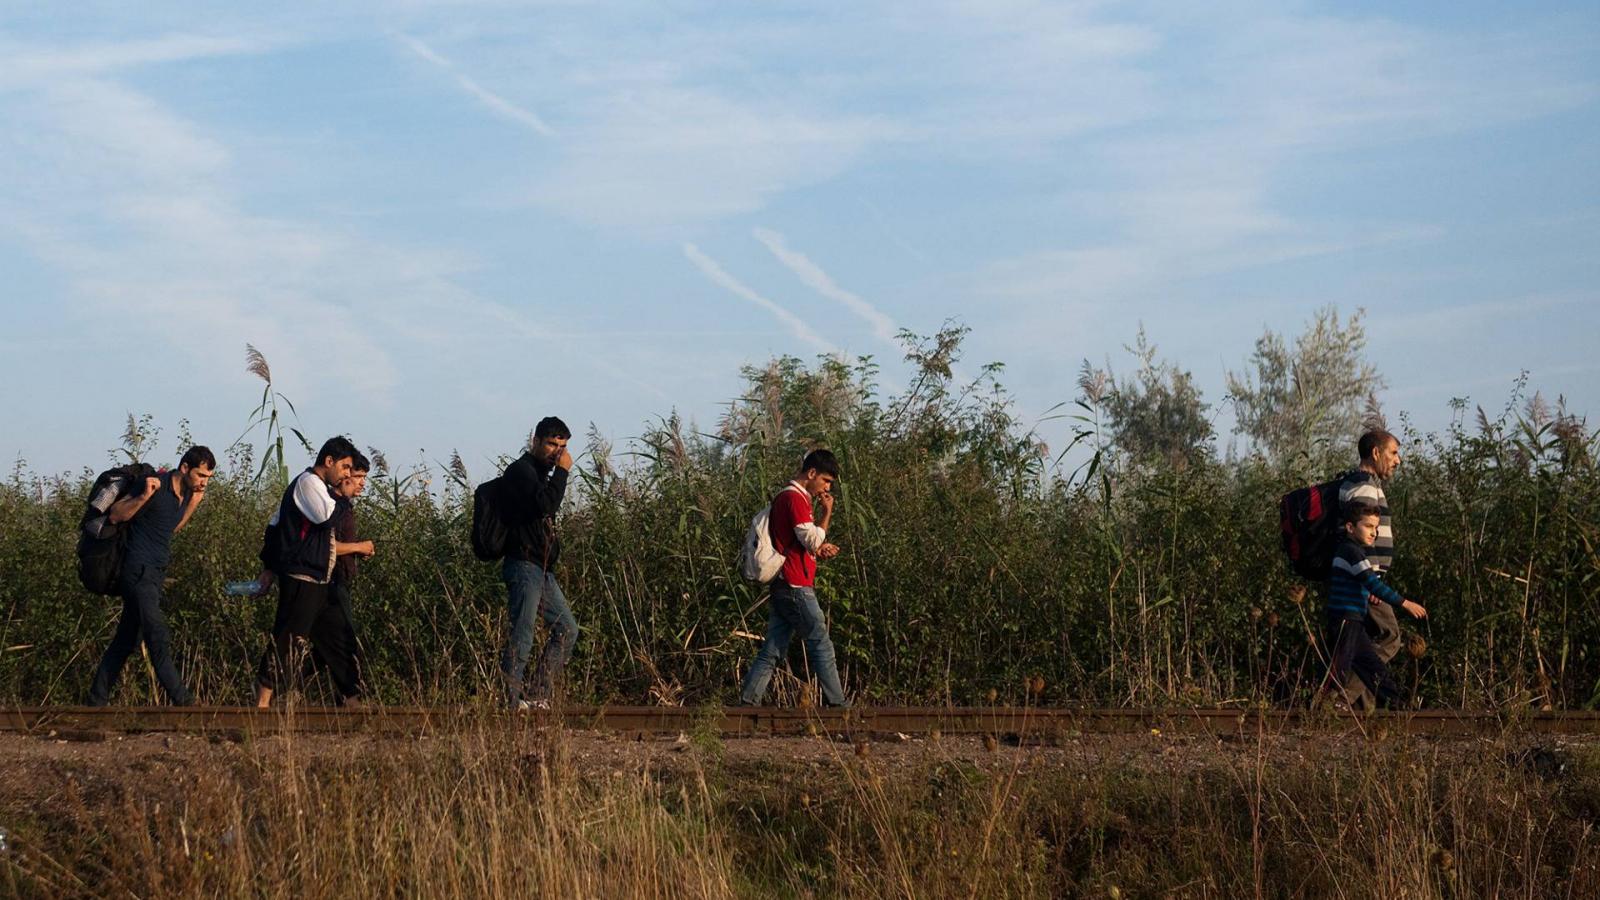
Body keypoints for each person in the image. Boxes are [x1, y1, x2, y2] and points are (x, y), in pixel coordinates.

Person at [86, 446, 216, 706]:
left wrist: (193, 503)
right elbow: (115, 515)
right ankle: (184, 700)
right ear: (184, 468)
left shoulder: (183, 495)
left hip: (154, 576)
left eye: (208, 478)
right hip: (138, 573)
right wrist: (144, 496)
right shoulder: (155, 487)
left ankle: (95, 701)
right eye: (201, 475)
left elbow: (171, 528)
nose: (204, 482)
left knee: (125, 642)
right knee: (157, 634)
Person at [253, 437, 369, 707]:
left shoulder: (321, 488)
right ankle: (262, 698)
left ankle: (353, 700)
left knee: (340, 640)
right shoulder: (308, 484)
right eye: (345, 468)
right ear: (329, 462)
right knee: (288, 640)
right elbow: (326, 518)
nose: (347, 475)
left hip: (323, 580)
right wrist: (343, 496)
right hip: (302, 577)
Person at [739, 449, 850, 708]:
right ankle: (838, 704)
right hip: (795, 584)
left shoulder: (786, 498)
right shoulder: (796, 498)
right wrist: (827, 512)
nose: (826, 487)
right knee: (820, 641)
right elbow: (811, 538)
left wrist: (819, 549)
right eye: (825, 480)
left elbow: (799, 542)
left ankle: (747, 703)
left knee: (773, 648)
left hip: (783, 583)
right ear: (811, 473)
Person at [500, 417, 576, 710]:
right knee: (523, 634)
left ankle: (534, 694)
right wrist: (563, 471)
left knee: (567, 629)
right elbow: (546, 504)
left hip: (541, 570)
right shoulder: (520, 472)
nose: (557, 451)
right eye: (551, 444)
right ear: (536, 441)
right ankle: (508, 703)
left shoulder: (541, 474)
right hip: (522, 566)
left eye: (563, 446)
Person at [1319, 504, 1428, 709]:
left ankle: (1398, 706)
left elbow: (1366, 582)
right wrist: (1405, 603)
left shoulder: (1353, 551)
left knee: (1372, 667)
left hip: (1353, 620)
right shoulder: (1351, 551)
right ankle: (1323, 709)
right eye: (1368, 526)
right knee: (1340, 669)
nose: (1374, 532)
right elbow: (1372, 583)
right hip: (1344, 619)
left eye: (1376, 527)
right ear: (1351, 527)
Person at [1337, 429, 1403, 706]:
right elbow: (1361, 536)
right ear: (1375, 453)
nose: (1397, 460)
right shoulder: (1364, 487)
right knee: (1390, 637)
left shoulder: (1358, 483)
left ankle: (1363, 709)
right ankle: (1340, 698)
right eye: (1393, 453)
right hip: (1366, 579)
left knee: (1365, 643)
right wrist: (1371, 579)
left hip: (1364, 578)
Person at [310, 451, 374, 704]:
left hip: (340, 581)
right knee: (343, 641)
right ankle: (352, 697)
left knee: (326, 646)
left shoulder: (344, 506)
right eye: (357, 476)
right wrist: (358, 547)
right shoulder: (330, 506)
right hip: (329, 583)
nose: (361, 483)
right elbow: (326, 546)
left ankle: (282, 683)